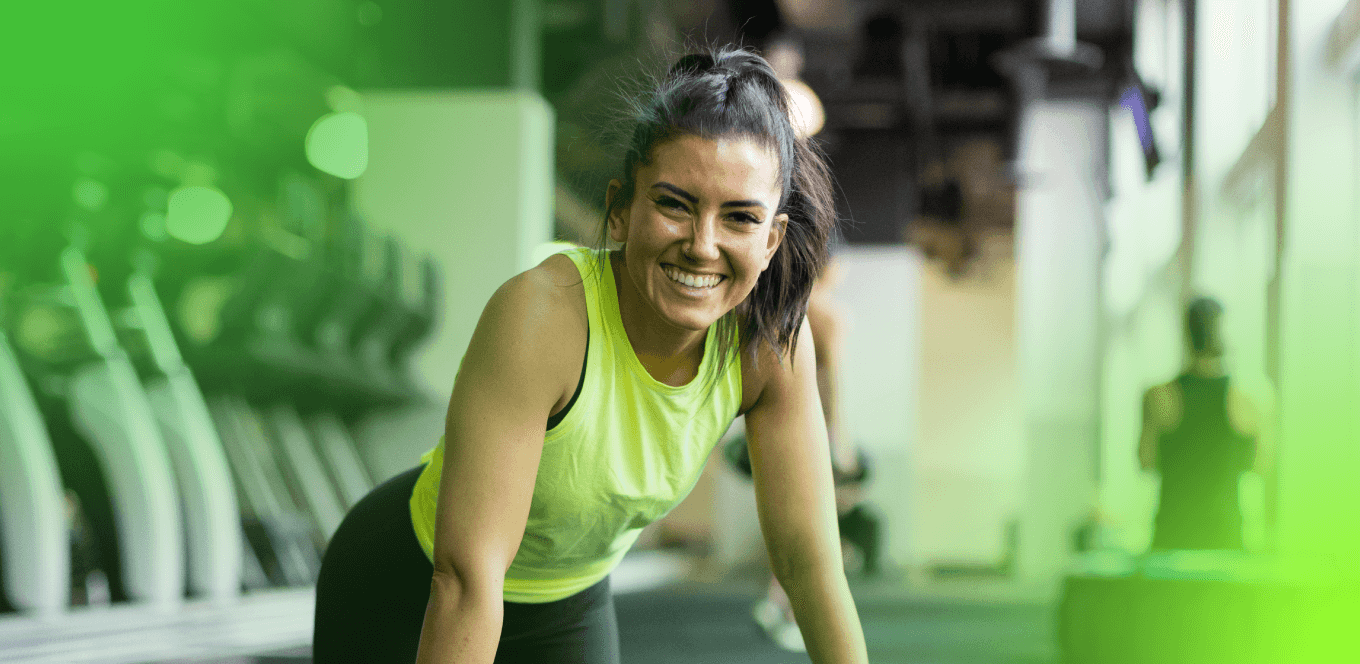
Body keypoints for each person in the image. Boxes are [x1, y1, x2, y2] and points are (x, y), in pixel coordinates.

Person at [312, 47, 869, 664]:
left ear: (772, 241)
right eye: (674, 204)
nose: (702, 245)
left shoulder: (770, 344)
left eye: (739, 218)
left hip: (568, 605)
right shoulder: (541, 319)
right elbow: (465, 581)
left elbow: (811, 570)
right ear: (623, 209)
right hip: (409, 591)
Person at [732, 256, 882, 651]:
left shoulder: (783, 309)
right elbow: (833, 383)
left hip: (778, 422)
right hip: (815, 428)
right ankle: (791, 610)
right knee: (813, 529)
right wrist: (841, 444)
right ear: (829, 267)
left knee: (788, 522)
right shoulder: (830, 315)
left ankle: (776, 603)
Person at [1138, 297, 1273, 551]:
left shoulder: (1159, 396)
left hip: (1173, 537)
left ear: (1186, 335)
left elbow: (1145, 461)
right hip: (1225, 537)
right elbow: (1260, 467)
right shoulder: (1249, 399)